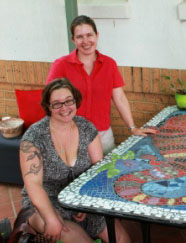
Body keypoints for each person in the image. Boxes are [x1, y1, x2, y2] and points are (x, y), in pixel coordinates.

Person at [19, 78, 132, 243]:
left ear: (75, 101)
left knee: (121, 239)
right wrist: (50, 219)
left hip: (80, 197)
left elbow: (98, 171)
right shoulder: (34, 137)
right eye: (56, 104)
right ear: (48, 107)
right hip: (46, 202)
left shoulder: (87, 129)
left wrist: (87, 203)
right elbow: (33, 184)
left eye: (68, 101)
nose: (64, 108)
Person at [46, 15, 155, 155]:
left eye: (89, 35)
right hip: (70, 134)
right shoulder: (61, 65)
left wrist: (132, 128)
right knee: (77, 176)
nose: (85, 41)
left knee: (104, 174)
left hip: (103, 135)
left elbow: (119, 98)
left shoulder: (109, 64)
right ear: (73, 40)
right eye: (79, 37)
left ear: (97, 36)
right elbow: (49, 101)